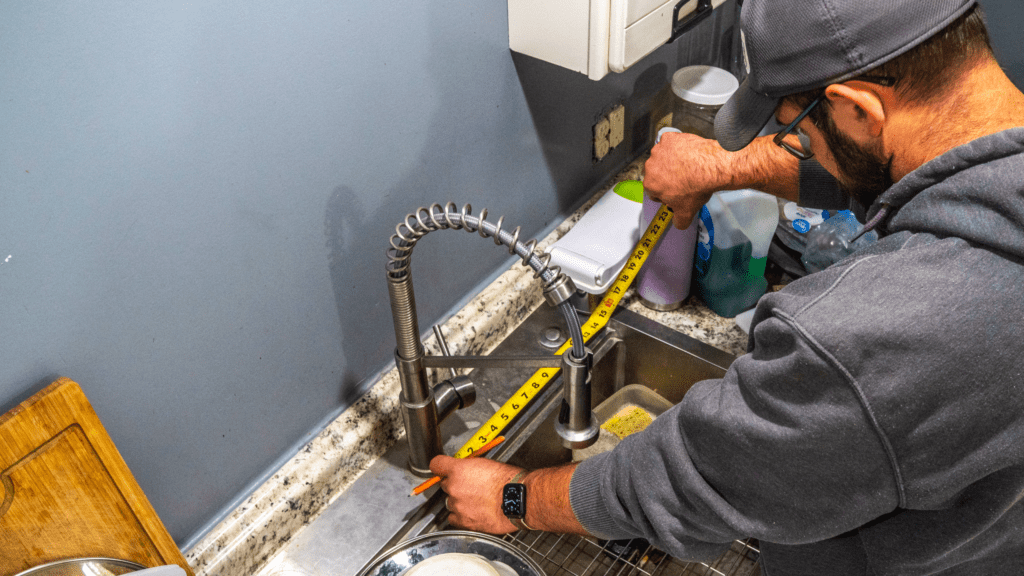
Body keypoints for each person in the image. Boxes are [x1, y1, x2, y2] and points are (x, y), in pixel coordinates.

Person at [430, 0, 1024, 573]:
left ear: (861, 111)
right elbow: (902, 164)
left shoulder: (870, 338)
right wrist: (723, 166)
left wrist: (515, 498)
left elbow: (692, 481)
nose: (801, 148)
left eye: (799, 134)